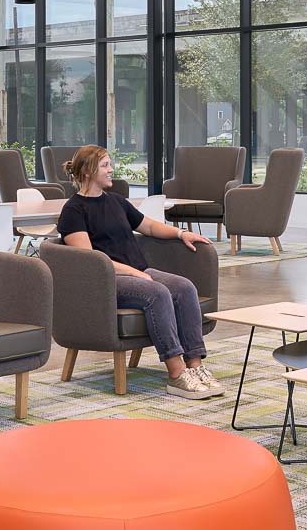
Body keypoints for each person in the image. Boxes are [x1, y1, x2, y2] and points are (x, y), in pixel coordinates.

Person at [55, 144, 222, 401]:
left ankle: (195, 366)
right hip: (107, 280)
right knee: (157, 293)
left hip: (138, 272)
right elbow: (90, 261)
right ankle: (176, 373)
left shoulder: (116, 202)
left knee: (184, 287)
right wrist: (133, 273)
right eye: (105, 165)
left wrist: (181, 233)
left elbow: (150, 227)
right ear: (88, 171)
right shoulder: (73, 211)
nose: (111, 170)